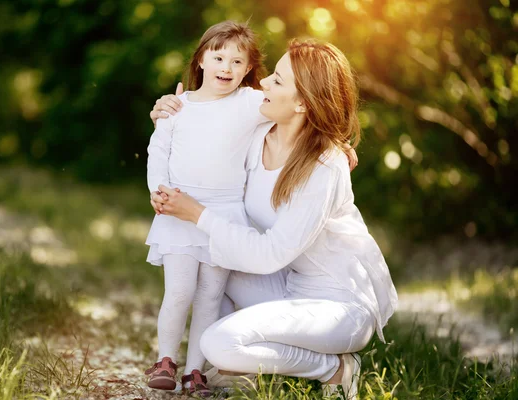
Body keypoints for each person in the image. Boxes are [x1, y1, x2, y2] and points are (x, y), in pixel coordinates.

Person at [149, 39, 398, 399]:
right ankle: (247, 365)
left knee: (219, 344)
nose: (262, 83)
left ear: (302, 102)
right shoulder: (258, 136)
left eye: (277, 81)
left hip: (337, 305)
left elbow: (267, 253)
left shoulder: (325, 166)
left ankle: (334, 368)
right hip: (283, 285)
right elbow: (202, 137)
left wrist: (198, 214)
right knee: (209, 267)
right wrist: (167, 113)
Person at [143, 20, 269, 397]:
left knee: (210, 296)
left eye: (236, 61)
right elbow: (157, 152)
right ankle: (166, 359)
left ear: (248, 70)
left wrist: (336, 141)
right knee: (179, 291)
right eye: (218, 57)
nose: (226, 68)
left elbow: (296, 111)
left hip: (223, 215)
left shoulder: (249, 102)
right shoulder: (178, 107)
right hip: (178, 209)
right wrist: (158, 191)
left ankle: (194, 370)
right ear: (201, 60)